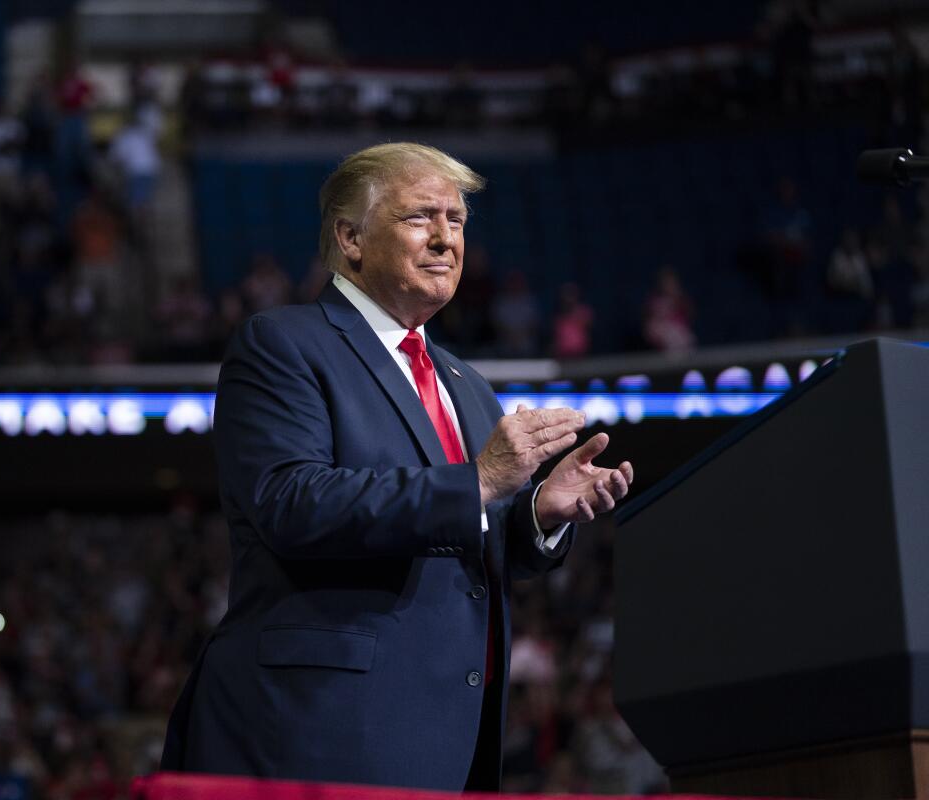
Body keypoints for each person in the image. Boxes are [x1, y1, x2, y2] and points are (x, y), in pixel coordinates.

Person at [161, 143, 633, 791]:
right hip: (320, 734)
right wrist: (480, 482)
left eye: (458, 220)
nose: (446, 239)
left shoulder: (465, 382)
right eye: (420, 218)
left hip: (450, 739)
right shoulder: (283, 345)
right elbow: (291, 504)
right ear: (351, 237)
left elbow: (467, 540)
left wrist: (534, 516)